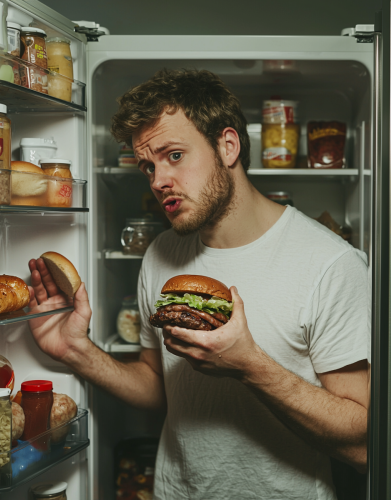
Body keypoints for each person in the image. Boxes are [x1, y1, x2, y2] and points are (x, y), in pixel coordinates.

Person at [28, 69, 369, 500]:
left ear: (228, 146)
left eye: (173, 156)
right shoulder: (161, 254)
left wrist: (250, 365)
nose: (157, 181)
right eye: (147, 166)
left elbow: (361, 442)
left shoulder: (331, 263)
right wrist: (75, 350)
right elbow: (158, 385)